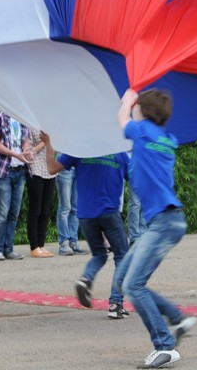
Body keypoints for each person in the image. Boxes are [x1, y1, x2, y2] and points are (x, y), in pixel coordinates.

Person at [117, 88, 196, 369]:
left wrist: (127, 100)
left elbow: (122, 119)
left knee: (133, 286)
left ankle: (164, 346)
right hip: (168, 220)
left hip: (163, 222)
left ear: (143, 110)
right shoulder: (165, 137)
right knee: (125, 279)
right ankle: (178, 318)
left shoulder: (141, 131)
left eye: (138, 106)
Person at [40, 131, 131, 319]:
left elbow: (51, 169)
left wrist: (48, 143)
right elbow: (138, 181)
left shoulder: (80, 151)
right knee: (122, 256)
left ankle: (86, 279)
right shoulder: (120, 153)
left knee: (99, 254)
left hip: (85, 215)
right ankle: (116, 304)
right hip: (110, 213)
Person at [0, 109, 31, 261]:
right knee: (1, 213)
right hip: (3, 170)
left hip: (20, 170)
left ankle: (8, 248)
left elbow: (25, 142)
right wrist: (15, 154)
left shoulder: (22, 117)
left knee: (14, 213)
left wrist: (26, 151)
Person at [25, 126, 57, 258]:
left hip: (49, 170)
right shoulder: (30, 126)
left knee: (45, 210)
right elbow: (29, 151)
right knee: (35, 209)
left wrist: (49, 142)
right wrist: (45, 141)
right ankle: (34, 246)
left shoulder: (51, 125)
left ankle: (41, 245)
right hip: (35, 169)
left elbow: (53, 151)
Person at [55, 166, 87, 255]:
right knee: (65, 208)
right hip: (64, 167)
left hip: (78, 168)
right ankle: (63, 244)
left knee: (75, 209)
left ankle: (73, 243)